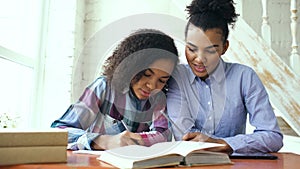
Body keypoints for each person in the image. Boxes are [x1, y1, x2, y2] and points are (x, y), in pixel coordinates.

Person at [166, 0, 283, 154]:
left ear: (224, 47)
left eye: (210, 50)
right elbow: (186, 137)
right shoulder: (177, 78)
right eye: (192, 49)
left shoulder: (244, 77)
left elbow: (273, 136)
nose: (199, 59)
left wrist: (221, 143)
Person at [51, 28, 179, 150]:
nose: (152, 86)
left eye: (162, 80)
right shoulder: (104, 87)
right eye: (146, 74)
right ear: (132, 66)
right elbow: (59, 131)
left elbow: (164, 135)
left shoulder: (157, 98)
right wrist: (102, 141)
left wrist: (135, 140)